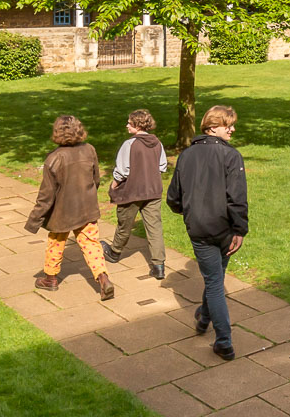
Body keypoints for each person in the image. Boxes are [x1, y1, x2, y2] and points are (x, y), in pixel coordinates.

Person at [166, 104, 247, 361]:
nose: (232, 129)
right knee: (215, 281)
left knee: (214, 277)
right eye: (228, 125)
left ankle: (203, 319)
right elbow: (237, 199)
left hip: (200, 228)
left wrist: (189, 212)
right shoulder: (232, 157)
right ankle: (224, 341)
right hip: (223, 229)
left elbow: (173, 198)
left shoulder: (186, 156)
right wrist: (239, 230)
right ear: (212, 127)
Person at [26, 114, 116, 301]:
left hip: (62, 213)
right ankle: (103, 278)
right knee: (91, 243)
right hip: (86, 208)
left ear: (57, 132)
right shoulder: (89, 150)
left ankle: (50, 279)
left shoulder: (54, 158)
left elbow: (46, 195)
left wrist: (34, 220)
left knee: (56, 243)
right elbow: (96, 179)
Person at [102, 108, 168, 281]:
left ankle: (114, 253)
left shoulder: (129, 144)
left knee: (125, 223)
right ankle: (159, 266)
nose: (127, 125)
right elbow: (162, 167)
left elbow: (122, 171)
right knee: (154, 228)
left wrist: (113, 185)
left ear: (137, 125)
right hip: (153, 191)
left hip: (132, 192)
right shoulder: (157, 143)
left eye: (129, 123)